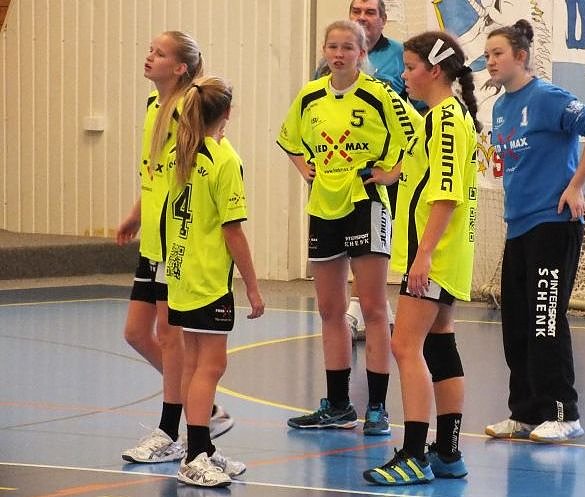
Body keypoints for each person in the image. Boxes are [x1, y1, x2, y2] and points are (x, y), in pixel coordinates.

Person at [277, 20, 416, 436]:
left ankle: (376, 407)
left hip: (365, 202)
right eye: (333, 47)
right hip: (324, 206)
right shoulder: (310, 95)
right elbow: (290, 139)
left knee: (373, 308)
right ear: (325, 50)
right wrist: (304, 168)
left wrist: (391, 174)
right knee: (330, 309)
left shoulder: (379, 94)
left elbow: (414, 137)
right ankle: (338, 406)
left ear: (361, 53)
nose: (339, 54)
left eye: (347, 48)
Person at [482, 20, 585, 443]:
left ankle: (563, 413)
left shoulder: (548, 97)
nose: (490, 61)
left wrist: (575, 185)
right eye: (487, 55)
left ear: (521, 56)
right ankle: (525, 413)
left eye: (498, 53)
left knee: (545, 320)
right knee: (516, 323)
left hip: (553, 225)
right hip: (518, 226)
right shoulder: (501, 108)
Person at [363, 31, 480, 486]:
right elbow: (424, 172)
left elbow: (445, 194)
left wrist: (423, 255)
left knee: (404, 346)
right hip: (447, 253)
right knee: (439, 343)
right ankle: (448, 451)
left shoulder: (446, 120)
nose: (404, 75)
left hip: (436, 252)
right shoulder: (445, 116)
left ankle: (413, 455)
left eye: (410, 68)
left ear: (434, 71)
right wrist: (389, 174)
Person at [117, 31, 234, 464]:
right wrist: (137, 212)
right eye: (150, 50)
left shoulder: (189, 110)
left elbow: (200, 167)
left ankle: (174, 430)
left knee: (170, 336)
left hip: (175, 241)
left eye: (160, 53)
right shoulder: (155, 105)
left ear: (181, 67)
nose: (149, 57)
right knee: (136, 333)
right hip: (153, 236)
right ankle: (202, 408)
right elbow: (157, 172)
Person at [165, 76, 265, 487]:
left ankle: (202, 447)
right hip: (208, 279)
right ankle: (194, 457)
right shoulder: (224, 160)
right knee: (211, 365)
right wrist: (253, 287)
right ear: (226, 113)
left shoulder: (180, 151)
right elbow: (232, 230)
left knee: (193, 364)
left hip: (180, 273)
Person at [314, 0, 421, 341]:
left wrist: (399, 167)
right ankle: (369, 309)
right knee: (343, 243)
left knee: (373, 245)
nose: (362, 17)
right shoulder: (328, 63)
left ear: (383, 19)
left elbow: (420, 113)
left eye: (370, 12)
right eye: (356, 11)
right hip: (339, 172)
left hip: (381, 172)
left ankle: (365, 308)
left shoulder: (400, 55)